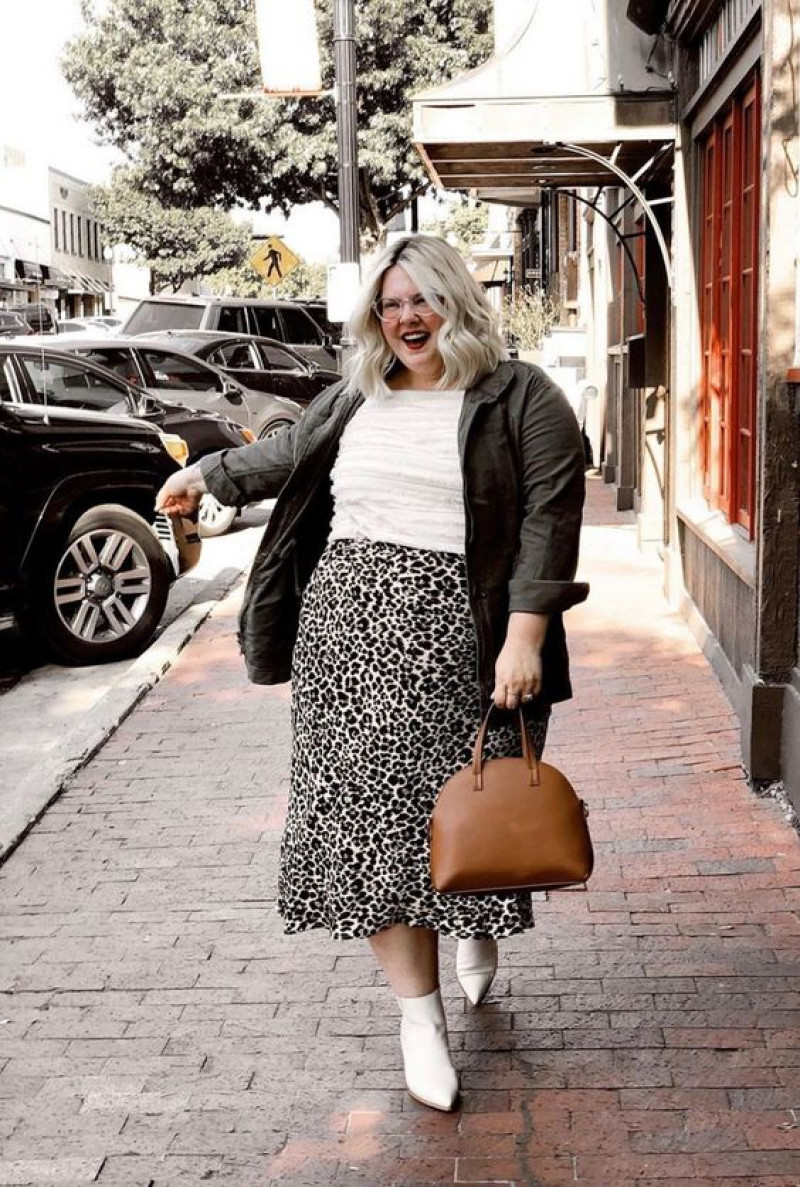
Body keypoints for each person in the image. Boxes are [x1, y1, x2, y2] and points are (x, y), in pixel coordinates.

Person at [156, 234, 588, 1112]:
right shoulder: (356, 395)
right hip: (346, 628)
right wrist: (205, 476)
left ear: (456, 302)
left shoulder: (521, 394)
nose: (405, 318)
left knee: (463, 803)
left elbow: (552, 513)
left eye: (421, 299)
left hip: (462, 630)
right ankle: (417, 1018)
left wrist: (525, 635)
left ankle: (474, 917)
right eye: (390, 305)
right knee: (364, 816)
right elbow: (280, 458)